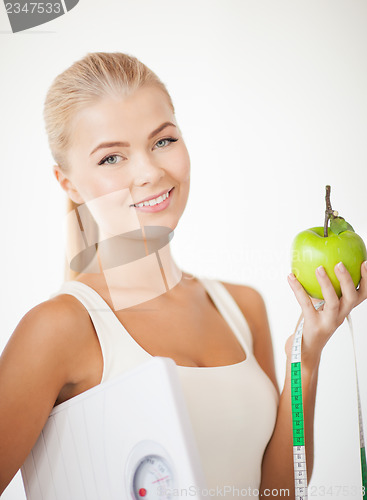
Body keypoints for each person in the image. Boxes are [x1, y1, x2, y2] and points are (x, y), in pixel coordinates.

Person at [0, 51, 366, 499]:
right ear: (68, 183)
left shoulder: (240, 306)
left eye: (163, 141)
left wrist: (304, 358)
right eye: (111, 158)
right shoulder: (57, 329)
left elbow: (277, 493)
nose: (150, 172)